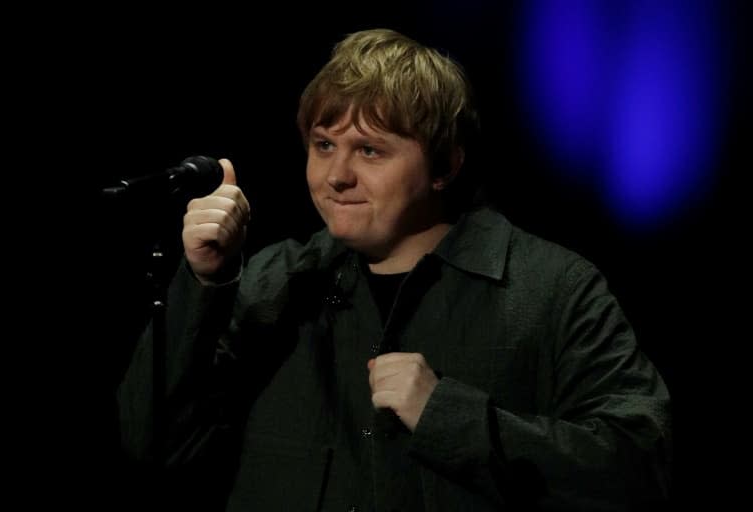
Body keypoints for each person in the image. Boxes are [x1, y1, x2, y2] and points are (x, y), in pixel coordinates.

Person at [118, 28, 671, 511]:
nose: (336, 176)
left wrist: (448, 416)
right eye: (324, 144)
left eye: (370, 151)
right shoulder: (273, 281)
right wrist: (206, 283)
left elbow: (639, 469)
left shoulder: (551, 289)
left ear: (444, 166)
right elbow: (154, 445)